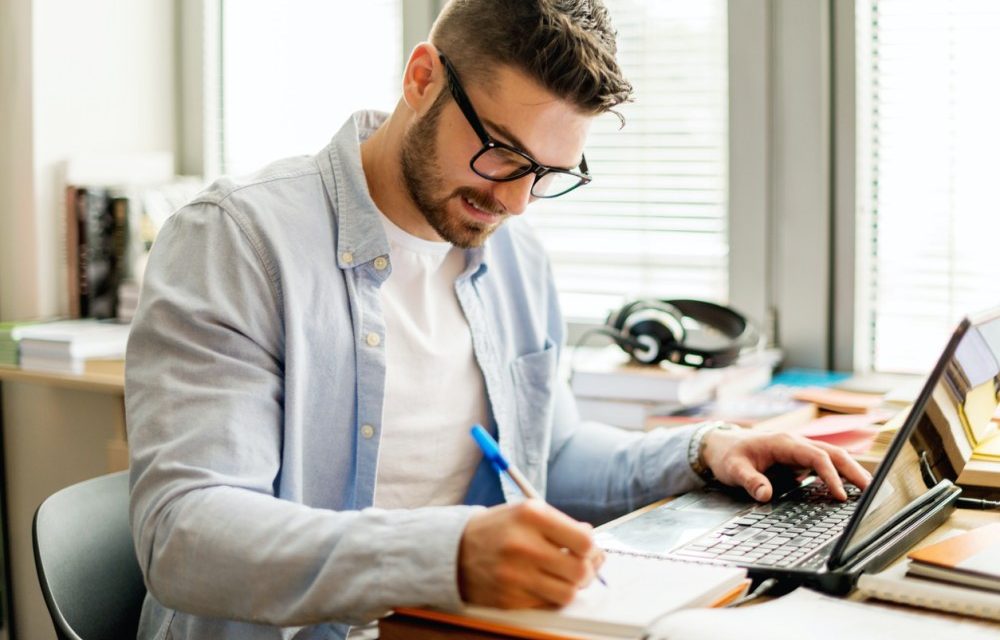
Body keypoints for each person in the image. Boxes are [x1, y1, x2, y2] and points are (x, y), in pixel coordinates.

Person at [125, 1, 872, 638]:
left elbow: (548, 457)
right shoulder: (236, 239)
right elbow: (185, 533)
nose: (516, 203)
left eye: (549, 175)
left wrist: (707, 450)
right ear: (421, 79)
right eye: (502, 155)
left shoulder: (514, 261)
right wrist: (446, 555)